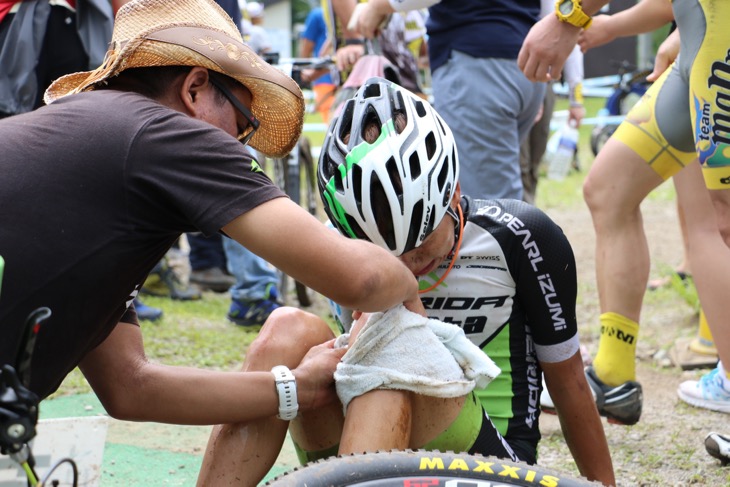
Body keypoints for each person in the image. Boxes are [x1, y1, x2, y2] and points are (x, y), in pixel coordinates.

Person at [0, 2, 424, 485]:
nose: (239, 146)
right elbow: (360, 278)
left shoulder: (95, 155)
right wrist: (406, 280)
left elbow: (129, 387)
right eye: (242, 124)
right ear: (196, 88)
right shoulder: (166, 133)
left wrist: (295, 390)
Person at [317, 78, 614, 484]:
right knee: (286, 329)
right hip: (372, 438)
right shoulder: (335, 247)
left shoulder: (520, 236)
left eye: (420, 241)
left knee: (389, 365)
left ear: (453, 193)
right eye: (382, 252)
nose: (406, 265)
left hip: (489, 463)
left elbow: (569, 384)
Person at [518, 0, 730, 424]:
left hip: (717, 43)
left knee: (721, 222)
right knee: (609, 188)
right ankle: (613, 377)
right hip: (697, 40)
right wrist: (615, 24)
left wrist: (568, 17)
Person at [347, 0, 545, 200]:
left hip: (477, 64)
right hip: (520, 61)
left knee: (487, 207)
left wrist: (378, 6)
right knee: (499, 191)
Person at [299, 6, 337, 123]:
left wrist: (304, 72)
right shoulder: (318, 14)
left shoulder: (318, 14)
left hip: (325, 77)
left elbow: (306, 47)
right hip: (325, 77)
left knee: (335, 124)